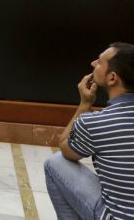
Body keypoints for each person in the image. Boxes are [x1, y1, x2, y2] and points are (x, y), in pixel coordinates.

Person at [44, 42, 134, 219]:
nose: (93, 63)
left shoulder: (97, 123)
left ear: (112, 78)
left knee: (54, 163)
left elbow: (65, 147)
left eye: (99, 62)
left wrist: (84, 105)